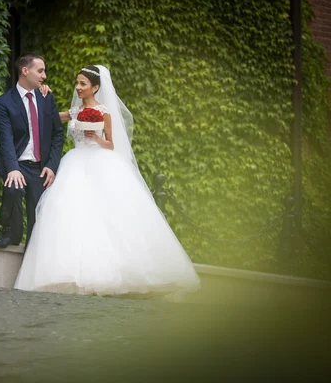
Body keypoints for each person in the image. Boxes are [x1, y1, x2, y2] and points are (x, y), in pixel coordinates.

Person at [14, 65, 200, 297]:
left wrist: (97, 138)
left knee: (107, 214)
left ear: (96, 87)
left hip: (100, 160)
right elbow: (48, 118)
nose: (78, 87)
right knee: (71, 213)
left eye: (83, 84)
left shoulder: (104, 111)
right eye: (77, 83)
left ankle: (116, 273)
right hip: (75, 162)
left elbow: (111, 144)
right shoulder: (75, 111)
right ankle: (68, 272)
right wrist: (44, 96)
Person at [0, 53, 64, 248]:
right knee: (13, 189)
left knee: (37, 219)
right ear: (25, 71)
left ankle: (31, 258)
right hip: (17, 163)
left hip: (41, 167)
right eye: (40, 71)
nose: (44, 76)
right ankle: (11, 233)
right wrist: (13, 168)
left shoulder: (46, 97)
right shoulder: (4, 102)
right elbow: (5, 139)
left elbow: (58, 133)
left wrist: (52, 165)